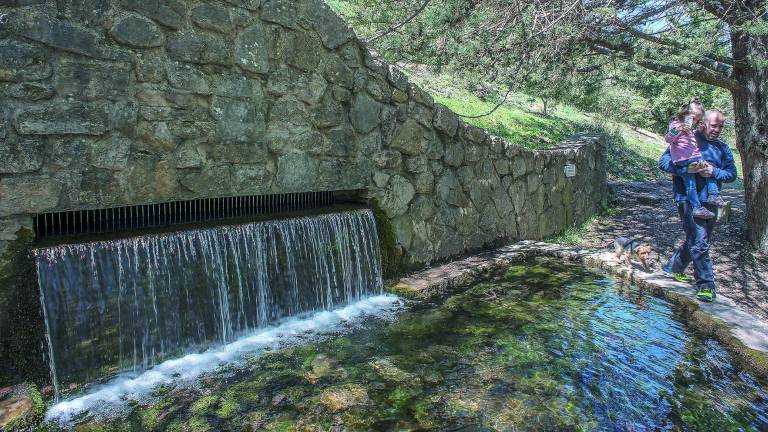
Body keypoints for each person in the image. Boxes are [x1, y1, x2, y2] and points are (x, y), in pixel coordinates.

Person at [658, 109, 738, 302]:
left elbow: (732, 174)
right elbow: (663, 162)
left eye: (720, 126)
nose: (717, 129)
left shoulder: (722, 148)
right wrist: (687, 168)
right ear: (702, 123)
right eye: (713, 125)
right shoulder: (686, 138)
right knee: (699, 241)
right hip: (687, 199)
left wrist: (713, 171)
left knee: (698, 240)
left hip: (710, 201)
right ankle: (706, 285)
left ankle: (673, 267)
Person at [664, 100, 726, 220]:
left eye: (697, 120)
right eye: (693, 118)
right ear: (684, 113)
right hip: (684, 159)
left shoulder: (691, 131)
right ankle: (699, 205)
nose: (694, 121)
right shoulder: (676, 125)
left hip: (693, 157)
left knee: (708, 168)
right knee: (691, 184)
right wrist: (685, 169)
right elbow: (668, 139)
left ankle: (712, 195)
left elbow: (731, 174)